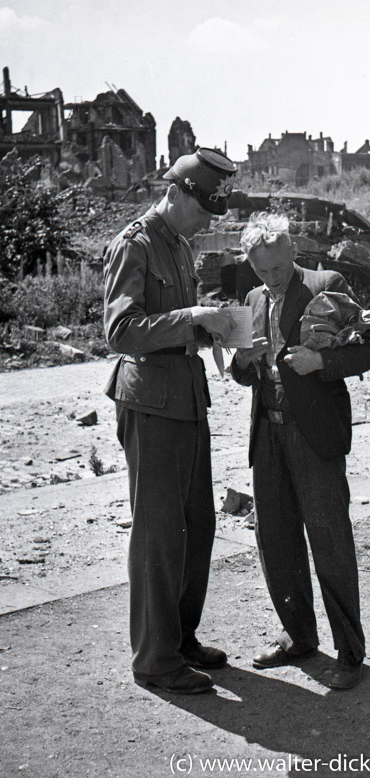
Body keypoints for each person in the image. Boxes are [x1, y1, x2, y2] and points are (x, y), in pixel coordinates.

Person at [103, 147, 237, 695]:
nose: (208, 222)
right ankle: (155, 660)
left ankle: (180, 639)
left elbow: (171, 324)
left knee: (196, 526)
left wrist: (209, 328)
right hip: (151, 404)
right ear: (177, 192)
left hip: (185, 399)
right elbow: (121, 331)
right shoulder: (134, 243)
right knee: (159, 534)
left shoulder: (179, 244)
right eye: (203, 209)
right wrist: (190, 318)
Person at [230, 212, 370, 690]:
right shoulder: (253, 298)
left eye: (278, 268)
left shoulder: (327, 283)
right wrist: (243, 360)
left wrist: (321, 360)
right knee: (276, 542)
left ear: (294, 252)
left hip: (313, 435)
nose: (272, 279)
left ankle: (349, 654)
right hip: (268, 436)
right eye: (262, 271)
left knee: (329, 542)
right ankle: (298, 637)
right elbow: (240, 373)